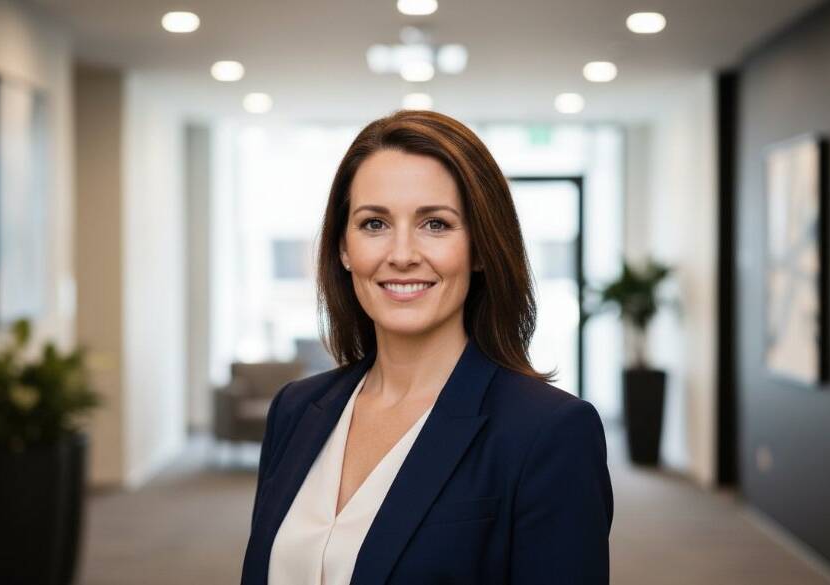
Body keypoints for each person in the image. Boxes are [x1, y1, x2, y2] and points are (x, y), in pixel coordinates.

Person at [240, 110, 613, 585]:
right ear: (343, 248)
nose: (401, 254)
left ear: (479, 248)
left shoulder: (549, 433)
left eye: (435, 224)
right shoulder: (296, 410)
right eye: (374, 224)